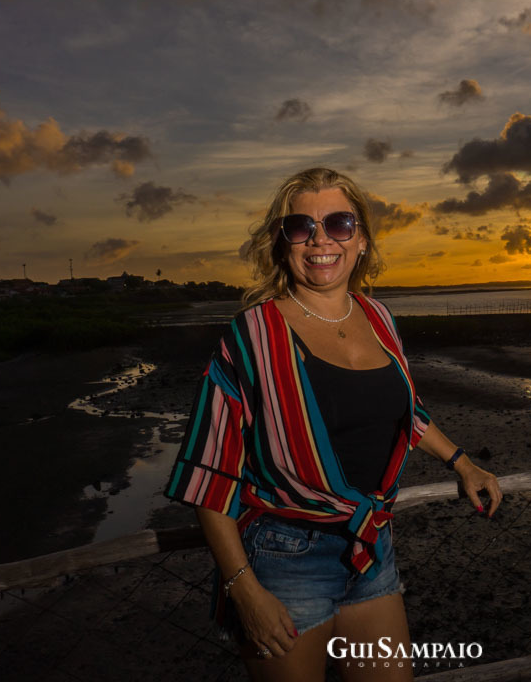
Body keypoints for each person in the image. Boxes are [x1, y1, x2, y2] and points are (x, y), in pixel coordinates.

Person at [164, 167, 502, 681]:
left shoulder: (379, 317)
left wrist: (463, 463)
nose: (321, 239)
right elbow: (211, 475)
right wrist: (244, 588)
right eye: (301, 226)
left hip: (371, 549)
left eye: (339, 223)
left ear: (361, 240)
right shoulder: (251, 334)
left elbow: (405, 413)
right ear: (282, 243)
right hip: (283, 561)